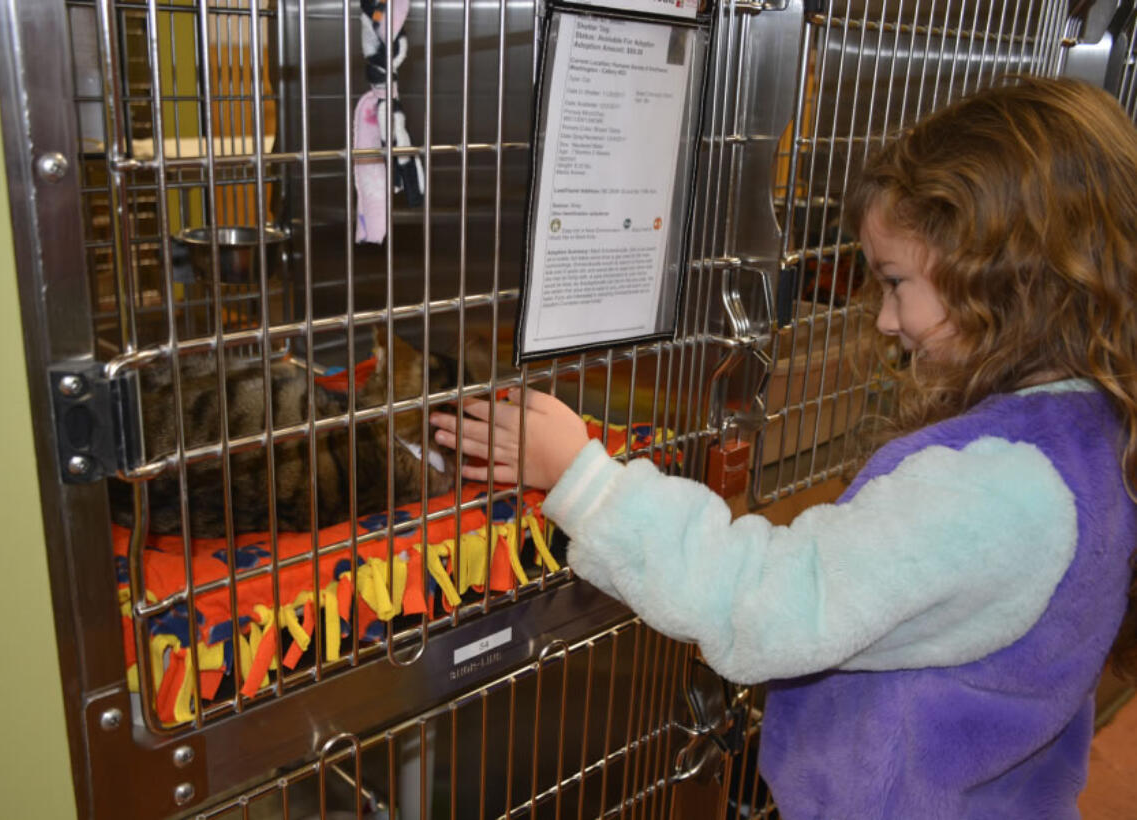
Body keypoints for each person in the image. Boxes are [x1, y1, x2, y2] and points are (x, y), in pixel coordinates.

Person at [429, 76, 1137, 819]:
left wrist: (583, 480)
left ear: (1005, 282)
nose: (888, 321)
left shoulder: (997, 489)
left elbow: (768, 603)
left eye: (897, 283)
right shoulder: (1093, 435)